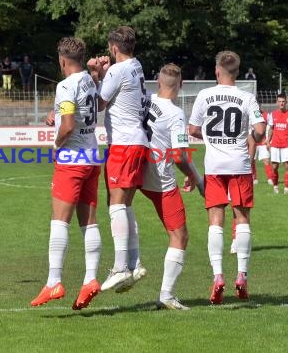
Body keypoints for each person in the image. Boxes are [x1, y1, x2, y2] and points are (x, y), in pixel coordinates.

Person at [31, 36, 103, 310]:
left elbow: (68, 126)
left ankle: (54, 282)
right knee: (90, 222)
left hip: (72, 158)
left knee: (59, 221)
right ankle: (91, 279)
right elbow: (88, 107)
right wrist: (56, 114)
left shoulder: (65, 85)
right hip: (92, 156)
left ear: (62, 60)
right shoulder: (88, 79)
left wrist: (55, 144)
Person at [188, 50, 266, 304]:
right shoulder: (246, 97)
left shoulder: (204, 95)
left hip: (214, 165)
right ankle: (242, 275)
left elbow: (192, 129)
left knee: (215, 220)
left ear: (216, 70)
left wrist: (211, 139)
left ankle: (218, 276)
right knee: (242, 218)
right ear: (238, 72)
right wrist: (248, 140)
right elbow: (260, 130)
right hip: (240, 164)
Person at [86, 26, 149, 293]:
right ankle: (133, 264)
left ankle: (121, 267)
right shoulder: (136, 65)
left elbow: (98, 103)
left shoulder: (118, 70)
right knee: (126, 205)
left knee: (116, 204)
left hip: (124, 143)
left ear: (113, 47)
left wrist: (94, 74)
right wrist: (103, 73)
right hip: (137, 140)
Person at [140, 63, 204, 310]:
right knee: (180, 235)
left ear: (157, 82)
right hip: (160, 180)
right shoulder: (176, 114)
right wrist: (197, 178)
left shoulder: (146, 100)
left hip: (137, 170)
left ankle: (126, 265)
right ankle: (166, 295)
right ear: (181, 85)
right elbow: (178, 155)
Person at [267, 93, 288, 194]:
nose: (281, 103)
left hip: (287, 145)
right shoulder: (272, 114)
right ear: (277, 102)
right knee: (274, 167)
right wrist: (268, 141)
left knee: (287, 167)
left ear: (286, 102)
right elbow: (271, 129)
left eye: (283, 101)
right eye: (279, 101)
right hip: (275, 145)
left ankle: (286, 189)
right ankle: (275, 186)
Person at [252, 106, 274, 185]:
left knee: (266, 160)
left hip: (263, 142)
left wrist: (268, 140)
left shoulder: (266, 115)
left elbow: (270, 127)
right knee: (252, 161)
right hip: (253, 142)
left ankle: (270, 179)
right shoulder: (251, 114)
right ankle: (254, 179)